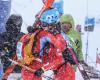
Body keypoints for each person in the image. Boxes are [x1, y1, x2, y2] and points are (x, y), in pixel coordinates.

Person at [33, 9, 76, 80]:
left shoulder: (58, 38)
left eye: (44, 24)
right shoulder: (51, 36)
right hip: (57, 73)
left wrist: (43, 69)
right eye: (42, 24)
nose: (43, 27)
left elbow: (60, 60)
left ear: (52, 25)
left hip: (65, 74)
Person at [1, 14, 24, 80]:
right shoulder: (3, 36)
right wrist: (2, 53)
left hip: (21, 69)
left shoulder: (24, 36)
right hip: (8, 71)